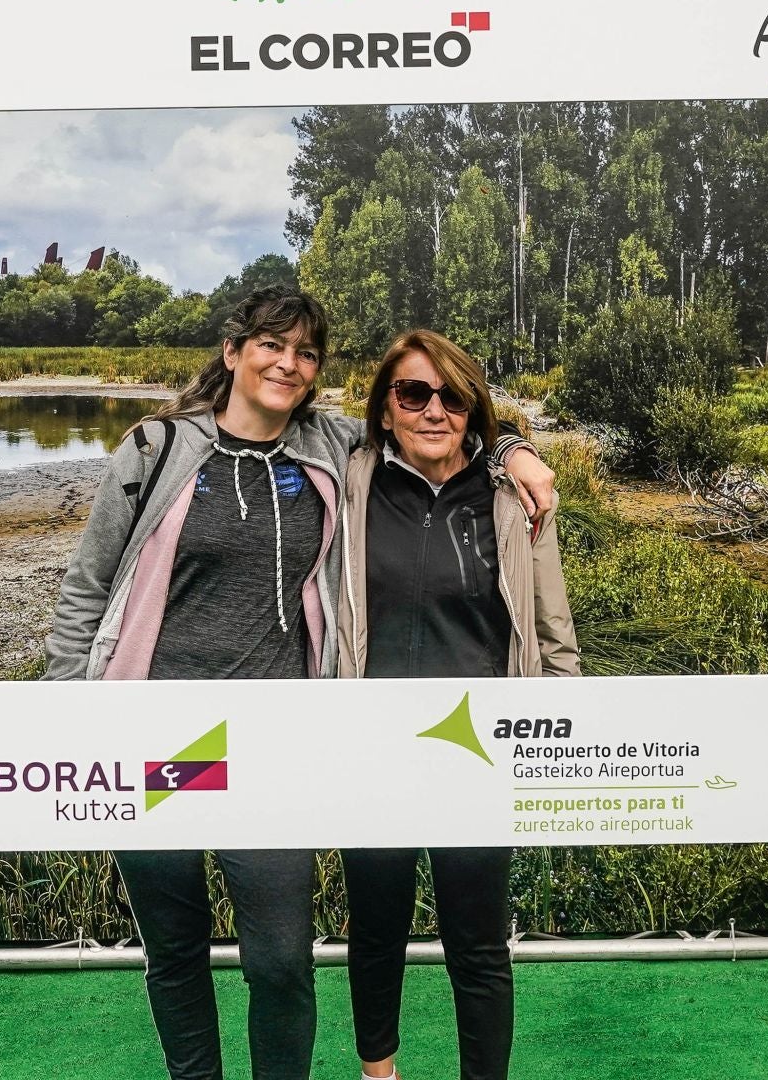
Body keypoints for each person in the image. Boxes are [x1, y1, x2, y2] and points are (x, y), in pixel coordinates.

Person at [43, 290, 555, 1080]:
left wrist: (515, 449)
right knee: (173, 952)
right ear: (233, 352)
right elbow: (86, 587)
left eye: (306, 353)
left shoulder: (329, 444)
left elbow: (441, 430)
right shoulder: (155, 449)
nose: (289, 363)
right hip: (150, 740)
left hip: (273, 751)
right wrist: (67, 713)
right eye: (272, 346)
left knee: (281, 961)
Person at [335, 330, 581, 1080]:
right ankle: (380, 1074)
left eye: (452, 396)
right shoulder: (348, 480)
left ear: (472, 408)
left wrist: (559, 731)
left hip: (481, 752)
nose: (433, 409)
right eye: (413, 393)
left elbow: (552, 629)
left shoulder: (513, 497)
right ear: (384, 409)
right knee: (376, 929)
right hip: (370, 747)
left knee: (476, 942)